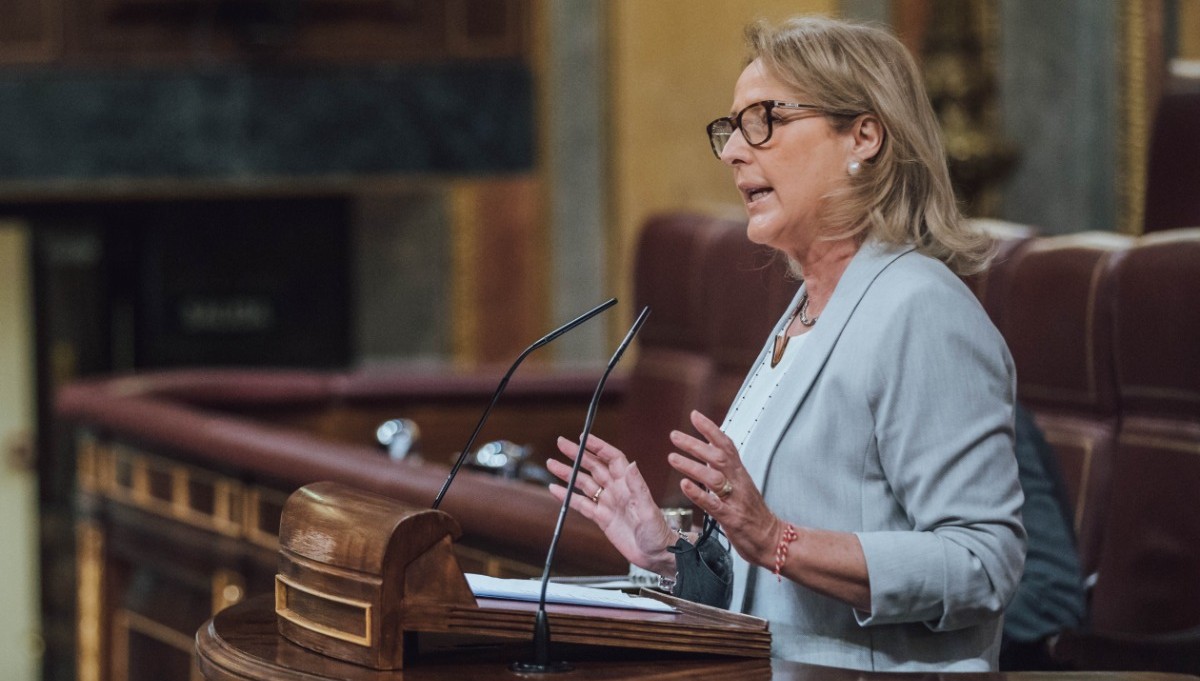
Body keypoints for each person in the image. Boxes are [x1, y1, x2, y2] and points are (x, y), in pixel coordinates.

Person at [546, 15, 1025, 672]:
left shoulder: (921, 309)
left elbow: (984, 562)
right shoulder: (804, 311)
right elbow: (766, 570)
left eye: (765, 120)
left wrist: (778, 539)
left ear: (863, 134)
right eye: (732, 129)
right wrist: (669, 551)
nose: (735, 151)